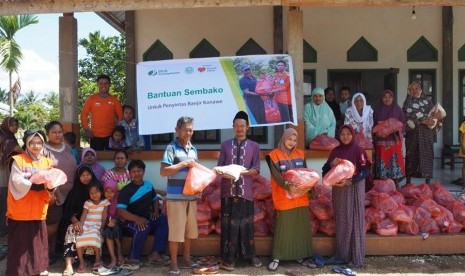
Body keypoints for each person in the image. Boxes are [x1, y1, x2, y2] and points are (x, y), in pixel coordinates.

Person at [217, 111, 262, 271]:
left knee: (246, 225)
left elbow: (256, 169)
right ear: (233, 127)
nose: (239, 128)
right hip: (228, 192)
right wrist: (225, 171)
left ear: (248, 127)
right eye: (236, 126)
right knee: (229, 225)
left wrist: (239, 172)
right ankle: (229, 258)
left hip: (245, 192)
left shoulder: (254, 146)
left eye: (242, 126)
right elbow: (219, 168)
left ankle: (249, 256)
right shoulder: (225, 145)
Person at [322, 125, 371, 269]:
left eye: (348, 134)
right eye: (342, 134)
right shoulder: (335, 152)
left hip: (354, 189)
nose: (345, 137)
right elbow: (325, 170)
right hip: (339, 192)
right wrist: (332, 163)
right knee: (343, 221)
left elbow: (366, 170)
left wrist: (350, 181)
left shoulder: (358, 150)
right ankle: (343, 255)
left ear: (353, 135)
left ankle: (356, 255)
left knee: (355, 220)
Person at [6, 130, 53, 276]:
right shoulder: (19, 159)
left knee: (37, 244)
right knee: (20, 246)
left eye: (39, 142)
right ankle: (18, 272)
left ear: (43, 144)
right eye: (32, 142)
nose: (36, 146)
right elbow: (16, 180)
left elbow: (51, 181)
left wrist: (52, 185)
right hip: (21, 211)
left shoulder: (47, 161)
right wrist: (33, 184)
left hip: (38, 209)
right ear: (26, 143)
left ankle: (37, 269)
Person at [265, 128, 313, 271]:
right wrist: (287, 186)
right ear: (283, 138)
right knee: (283, 229)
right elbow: (276, 175)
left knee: (299, 228)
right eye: (289, 139)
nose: (291, 142)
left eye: (294, 140)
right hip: (284, 198)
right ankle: (277, 257)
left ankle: (300, 255)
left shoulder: (300, 153)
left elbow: (306, 173)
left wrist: (312, 188)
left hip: (301, 197)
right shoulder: (273, 155)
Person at [160, 116, 199, 276]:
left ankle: (187, 259)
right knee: (176, 232)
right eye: (185, 129)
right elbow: (163, 171)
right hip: (176, 198)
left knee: (190, 231)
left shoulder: (194, 149)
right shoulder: (171, 148)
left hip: (191, 197)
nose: (188, 133)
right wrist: (183, 163)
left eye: (190, 130)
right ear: (177, 130)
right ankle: (173, 263)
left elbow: (195, 172)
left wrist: (200, 187)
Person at [118, 159, 169, 270]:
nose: (137, 174)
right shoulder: (126, 190)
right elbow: (120, 211)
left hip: (146, 219)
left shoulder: (148, 185)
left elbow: (154, 199)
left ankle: (156, 254)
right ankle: (133, 258)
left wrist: (155, 211)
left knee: (163, 220)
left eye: (139, 171)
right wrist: (136, 219)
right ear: (130, 173)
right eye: (134, 171)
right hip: (129, 222)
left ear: (144, 171)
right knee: (142, 227)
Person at [44, 121, 78, 263]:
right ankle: (44, 254)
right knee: (52, 224)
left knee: (62, 225)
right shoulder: (43, 149)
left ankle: (54, 253)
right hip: (53, 195)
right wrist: (49, 193)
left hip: (69, 193)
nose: (58, 135)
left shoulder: (67, 148)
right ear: (47, 134)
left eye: (60, 132)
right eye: (54, 132)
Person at [62, 165, 99, 276]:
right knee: (71, 229)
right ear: (78, 177)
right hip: (77, 221)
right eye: (82, 175)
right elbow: (68, 210)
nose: (86, 177)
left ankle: (87, 260)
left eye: (88, 174)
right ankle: (68, 264)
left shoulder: (96, 189)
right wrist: (75, 221)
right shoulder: (74, 192)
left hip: (93, 222)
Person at [402, 81, 439, 184]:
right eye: (412, 89)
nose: (414, 91)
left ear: (421, 89)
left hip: (426, 133)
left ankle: (427, 181)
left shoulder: (427, 101)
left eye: (416, 88)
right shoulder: (407, 102)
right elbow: (407, 114)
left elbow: (433, 114)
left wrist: (432, 120)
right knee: (411, 155)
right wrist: (423, 121)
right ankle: (408, 181)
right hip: (413, 134)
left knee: (427, 155)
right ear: (409, 91)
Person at [80, 74, 123, 151]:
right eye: (101, 83)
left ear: (109, 85)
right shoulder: (91, 99)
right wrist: (87, 129)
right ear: (97, 85)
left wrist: (117, 132)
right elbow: (83, 115)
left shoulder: (114, 100)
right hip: (95, 136)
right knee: (96, 159)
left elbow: (120, 116)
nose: (103, 85)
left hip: (111, 137)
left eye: (106, 83)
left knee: (111, 159)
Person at [372, 90, 405, 186]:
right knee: (382, 161)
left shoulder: (397, 109)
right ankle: (382, 185)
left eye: (389, 97)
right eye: (385, 97)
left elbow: (403, 124)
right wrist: (380, 130)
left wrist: (394, 129)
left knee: (394, 162)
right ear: (382, 98)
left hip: (394, 142)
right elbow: (372, 124)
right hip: (381, 142)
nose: (387, 99)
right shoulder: (377, 109)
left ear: (393, 98)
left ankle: (396, 184)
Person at [75, 181, 109, 273]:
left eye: (96, 192)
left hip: (96, 225)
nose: (94, 195)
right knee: (79, 237)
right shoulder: (87, 203)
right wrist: (81, 226)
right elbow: (83, 215)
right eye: (91, 193)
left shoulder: (105, 202)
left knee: (94, 236)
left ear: (101, 192)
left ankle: (98, 260)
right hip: (87, 224)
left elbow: (104, 215)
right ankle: (82, 262)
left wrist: (102, 227)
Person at [0, 116, 23, 237]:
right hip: (2, 173)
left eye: (16, 125)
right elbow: (18, 150)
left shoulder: (10, 136)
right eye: (12, 125)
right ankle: (3, 229)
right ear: (6, 125)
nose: (15, 127)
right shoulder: (5, 138)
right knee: (4, 199)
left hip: (7, 172)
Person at [102, 178, 124, 270]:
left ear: (115, 192)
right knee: (108, 231)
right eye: (106, 191)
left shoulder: (119, 200)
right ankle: (113, 258)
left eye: (112, 191)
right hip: (106, 225)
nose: (109, 194)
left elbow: (122, 215)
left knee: (115, 229)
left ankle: (119, 254)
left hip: (118, 223)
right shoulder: (102, 201)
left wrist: (114, 221)